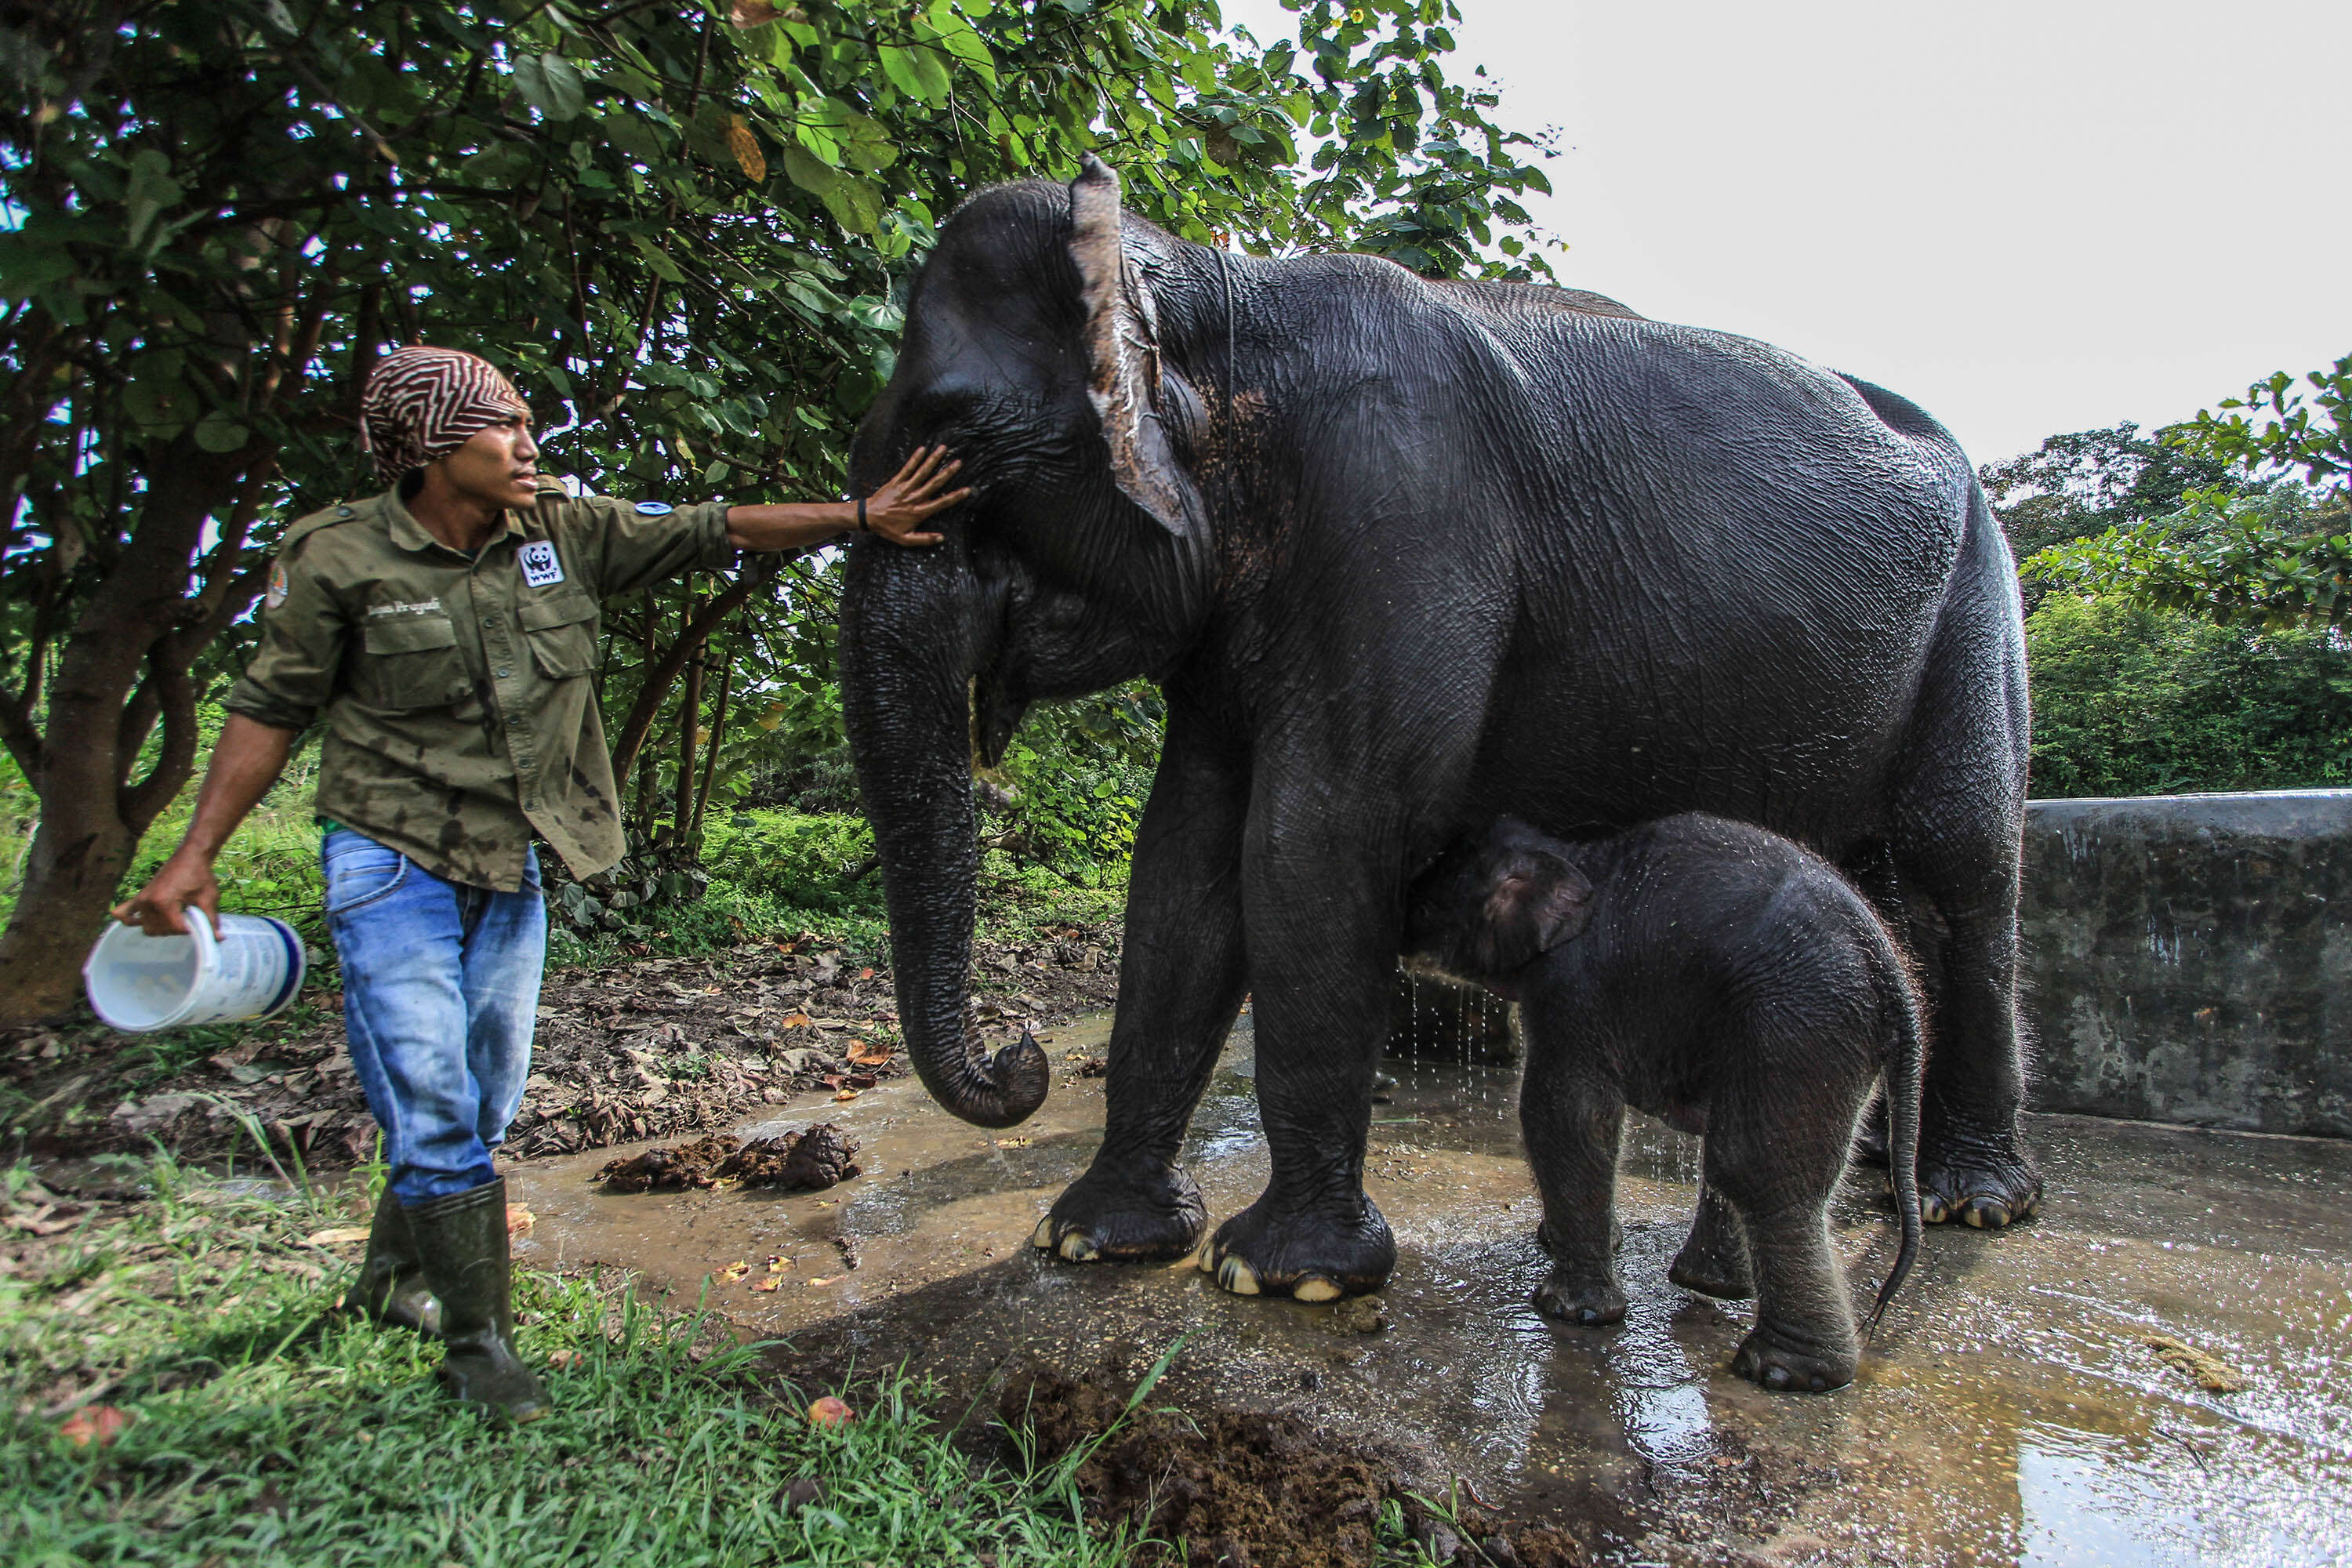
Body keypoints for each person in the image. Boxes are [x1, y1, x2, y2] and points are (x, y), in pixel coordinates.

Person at [112, 346, 967, 1421]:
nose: (529, 446)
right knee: (432, 1100)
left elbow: (715, 528)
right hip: (387, 857)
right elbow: (270, 709)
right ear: (430, 445)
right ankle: (481, 1351)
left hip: (511, 859)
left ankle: (390, 1276)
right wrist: (195, 853)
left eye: (527, 426)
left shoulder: (561, 532)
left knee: (487, 1088)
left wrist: (861, 514)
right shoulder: (335, 559)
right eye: (503, 427)